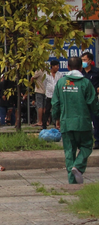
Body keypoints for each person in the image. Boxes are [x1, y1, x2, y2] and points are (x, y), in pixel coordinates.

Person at [51, 56, 99, 184]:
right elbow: (93, 103)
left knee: (69, 151)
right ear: (80, 67)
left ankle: (72, 181)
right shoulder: (86, 83)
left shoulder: (61, 83)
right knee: (87, 146)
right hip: (83, 123)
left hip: (66, 123)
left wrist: (56, 118)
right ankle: (78, 166)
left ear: (67, 67)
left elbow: (55, 103)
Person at [80, 51, 99, 148]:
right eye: (82, 60)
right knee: (84, 122)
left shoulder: (96, 72)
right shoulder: (80, 73)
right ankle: (85, 142)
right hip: (82, 101)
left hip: (94, 100)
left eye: (85, 60)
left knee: (96, 121)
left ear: (90, 61)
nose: (83, 62)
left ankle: (97, 141)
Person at [43, 60, 64, 129]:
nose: (57, 67)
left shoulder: (60, 75)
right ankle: (44, 125)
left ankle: (57, 124)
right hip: (49, 95)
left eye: (58, 66)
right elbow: (44, 83)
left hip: (57, 95)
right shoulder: (46, 74)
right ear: (52, 66)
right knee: (47, 110)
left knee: (56, 110)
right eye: (56, 66)